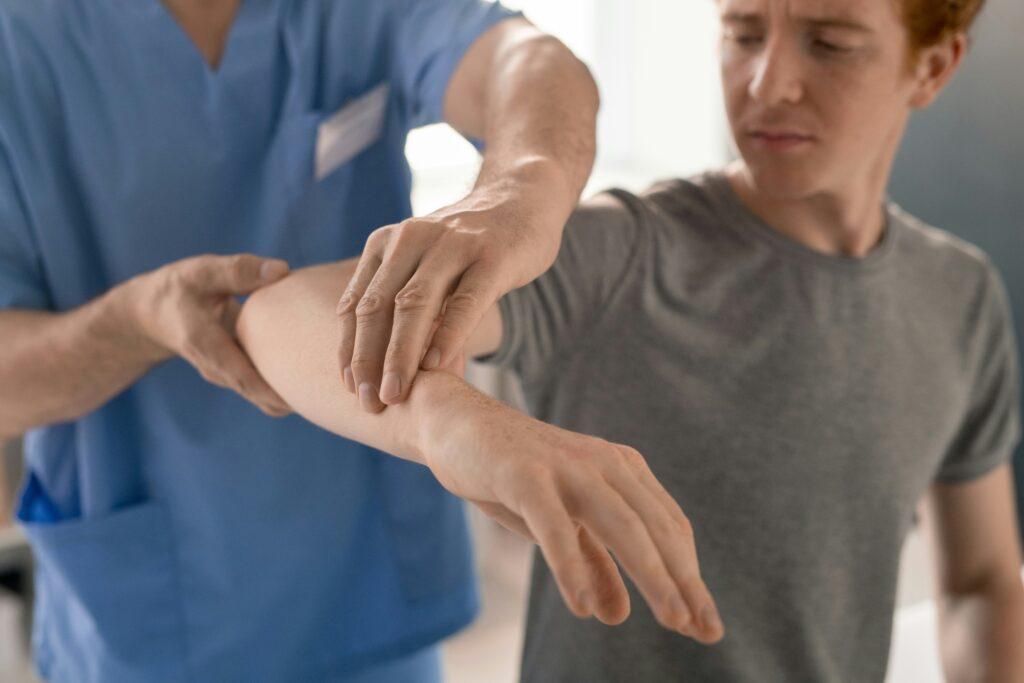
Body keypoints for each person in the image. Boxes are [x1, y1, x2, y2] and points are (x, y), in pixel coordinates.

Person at [235, 0, 1024, 679]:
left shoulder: (960, 297)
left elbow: (984, 577)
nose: (767, 83)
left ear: (932, 68)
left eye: (830, 43)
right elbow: (278, 312)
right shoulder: (628, 254)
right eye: (744, 34)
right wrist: (454, 421)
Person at [0, 1, 602, 681]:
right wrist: (134, 321)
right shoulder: (23, 44)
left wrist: (518, 191)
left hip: (364, 577)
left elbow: (525, 58)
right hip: (157, 601)